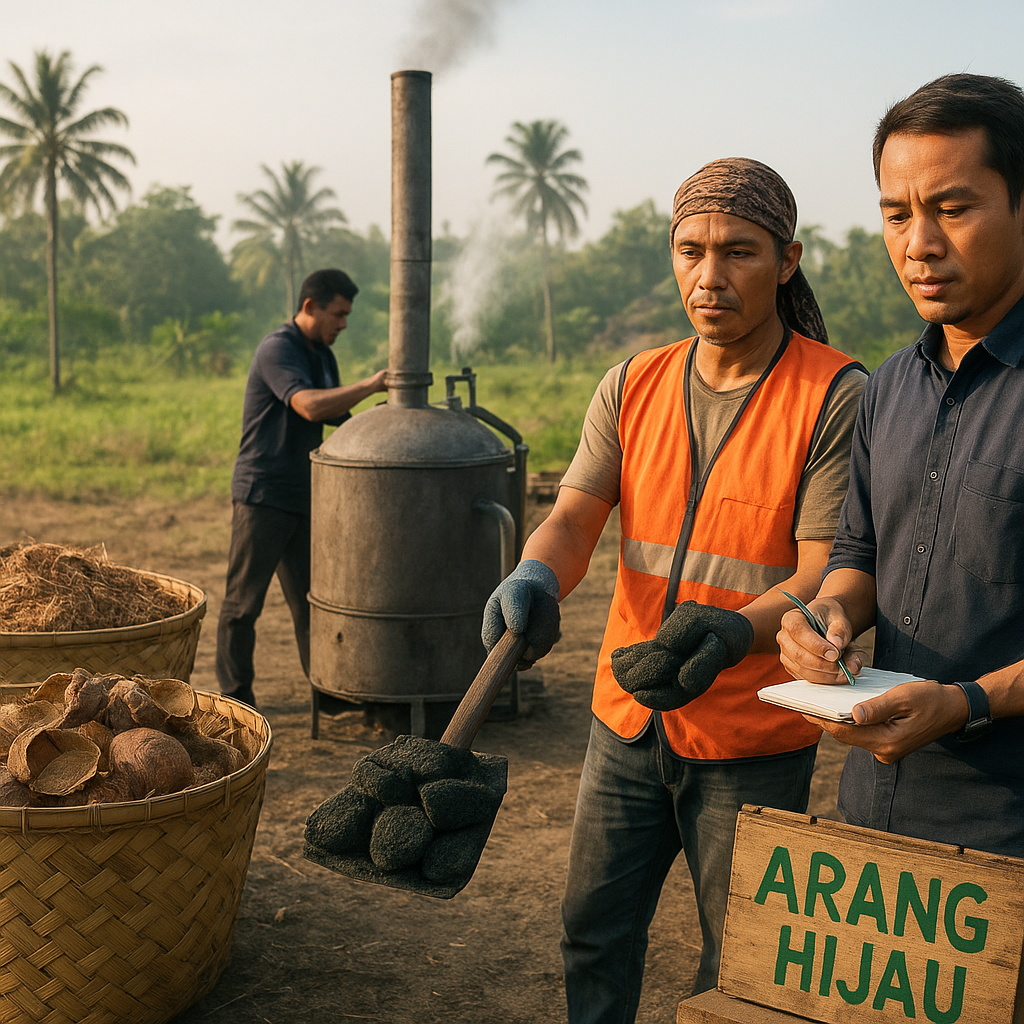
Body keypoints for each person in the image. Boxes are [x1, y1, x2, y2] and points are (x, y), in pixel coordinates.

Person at [482, 158, 866, 1022]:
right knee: (592, 928)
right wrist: (536, 570)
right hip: (627, 713)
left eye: (739, 252)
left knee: (739, 961)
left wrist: (732, 634)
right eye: (691, 250)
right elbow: (576, 518)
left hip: (752, 730)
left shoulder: (835, 393)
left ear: (789, 260)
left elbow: (821, 572)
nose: (711, 275)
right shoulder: (633, 383)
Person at [777, 73, 1024, 858]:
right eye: (896, 213)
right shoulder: (885, 389)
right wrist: (828, 620)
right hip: (878, 814)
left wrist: (967, 704)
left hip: (1009, 830)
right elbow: (859, 558)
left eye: (952, 209)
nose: (918, 242)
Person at [216, 268, 387, 708]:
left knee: (313, 603)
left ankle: (326, 689)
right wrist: (370, 385)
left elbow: (338, 419)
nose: (344, 324)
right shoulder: (279, 349)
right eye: (339, 314)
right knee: (243, 605)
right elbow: (310, 406)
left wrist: (384, 423)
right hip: (263, 494)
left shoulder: (322, 355)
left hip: (305, 496)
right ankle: (236, 697)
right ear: (310, 307)